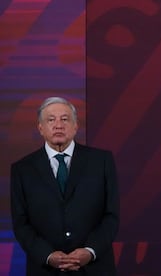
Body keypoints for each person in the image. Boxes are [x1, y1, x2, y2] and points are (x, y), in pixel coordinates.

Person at [10, 97, 119, 275]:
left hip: (95, 268)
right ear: (40, 128)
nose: (58, 125)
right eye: (51, 120)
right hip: (44, 270)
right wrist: (47, 255)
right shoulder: (22, 169)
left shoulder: (102, 161)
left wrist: (90, 251)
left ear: (75, 126)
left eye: (65, 119)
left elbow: (111, 216)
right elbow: (21, 224)